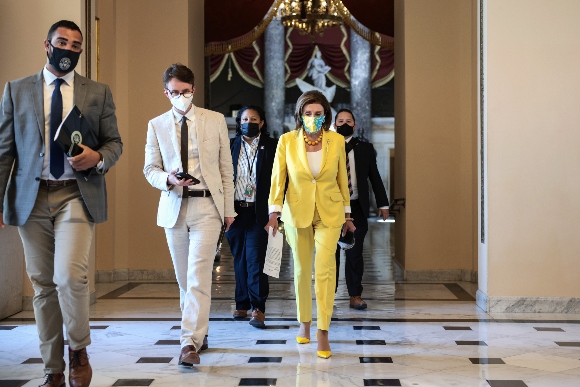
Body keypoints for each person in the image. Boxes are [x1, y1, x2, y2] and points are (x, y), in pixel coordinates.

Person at [0, 20, 123, 387]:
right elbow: (4, 151)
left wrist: (97, 158)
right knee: (42, 284)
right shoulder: (16, 90)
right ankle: (52, 369)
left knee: (69, 276)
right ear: (47, 45)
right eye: (62, 42)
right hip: (31, 197)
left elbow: (114, 143)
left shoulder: (97, 92)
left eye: (76, 44)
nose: (69, 48)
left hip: (76, 193)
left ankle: (79, 349)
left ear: (81, 50)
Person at [144, 63, 235, 366]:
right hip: (174, 207)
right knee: (185, 280)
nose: (180, 96)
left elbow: (225, 168)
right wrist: (167, 178)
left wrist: (229, 210)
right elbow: (149, 169)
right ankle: (199, 332)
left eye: (185, 91)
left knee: (198, 276)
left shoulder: (215, 120)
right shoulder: (156, 124)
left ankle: (188, 344)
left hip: (207, 206)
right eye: (174, 92)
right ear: (166, 92)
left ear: (193, 90)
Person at [265, 90, 355, 359]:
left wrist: (348, 216)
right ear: (300, 115)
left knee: (325, 269)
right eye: (308, 114)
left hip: (330, 211)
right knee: (302, 270)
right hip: (296, 212)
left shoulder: (337, 141)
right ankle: (304, 322)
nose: (313, 118)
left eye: (318, 114)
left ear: (326, 115)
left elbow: (343, 180)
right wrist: (274, 212)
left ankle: (323, 332)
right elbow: (278, 179)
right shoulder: (287, 141)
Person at [227, 105, 277, 328]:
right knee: (239, 260)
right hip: (235, 212)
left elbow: (280, 181)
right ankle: (241, 303)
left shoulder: (273, 147)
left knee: (255, 259)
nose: (249, 122)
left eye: (254, 118)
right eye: (245, 119)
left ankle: (258, 308)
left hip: (260, 212)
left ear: (262, 123)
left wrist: (276, 213)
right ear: (239, 123)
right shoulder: (230, 146)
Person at [333, 109, 389, 310]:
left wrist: (383, 204)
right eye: (340, 121)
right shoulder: (328, 146)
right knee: (331, 254)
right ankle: (328, 297)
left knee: (355, 253)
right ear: (334, 124)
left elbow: (374, 176)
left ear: (354, 126)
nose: (345, 123)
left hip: (357, 207)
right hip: (331, 207)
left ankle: (355, 295)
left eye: (349, 121)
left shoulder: (365, 148)